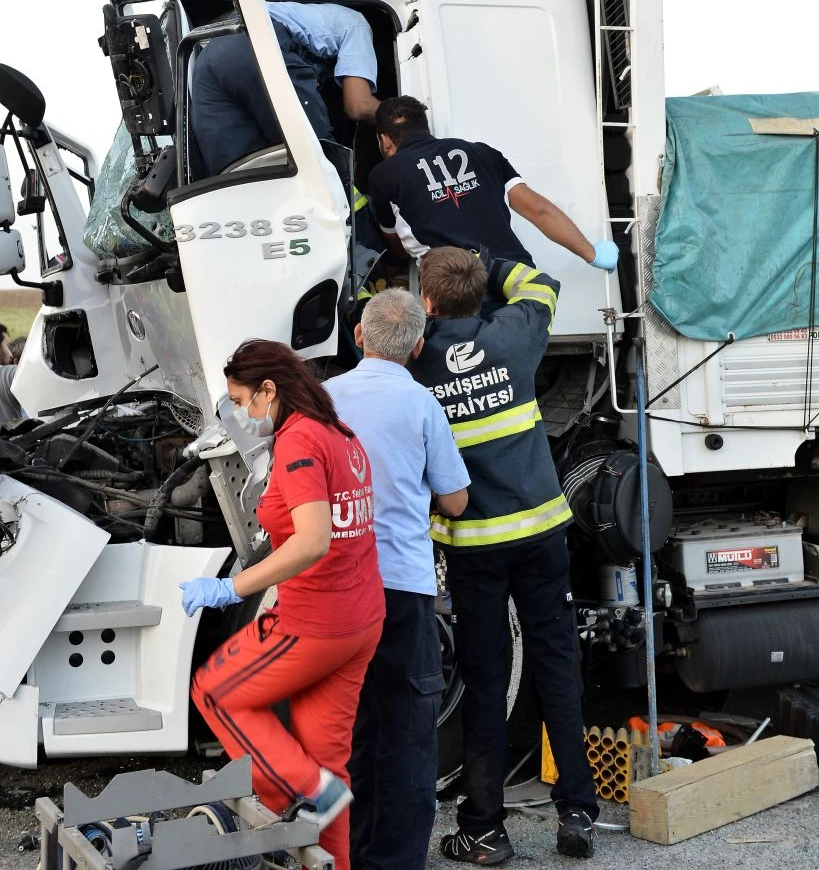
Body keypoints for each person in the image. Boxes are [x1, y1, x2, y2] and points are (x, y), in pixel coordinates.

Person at [412, 248, 599, 862]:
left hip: (478, 549)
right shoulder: (514, 335)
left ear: (429, 301)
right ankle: (576, 814)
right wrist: (486, 262)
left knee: (488, 681)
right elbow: (541, 284)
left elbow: (372, 328)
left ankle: (485, 829)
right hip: (543, 535)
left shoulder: (418, 358)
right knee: (557, 668)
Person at [183, 340, 385, 870]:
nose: (244, 414)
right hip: (359, 619)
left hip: (314, 621)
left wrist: (234, 587)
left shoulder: (299, 443)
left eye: (244, 401)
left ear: (269, 390)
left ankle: (305, 792)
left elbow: (314, 540)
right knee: (328, 762)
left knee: (215, 692)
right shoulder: (339, 434)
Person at [325, 289, 470, 870]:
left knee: (350, 729)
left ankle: (348, 853)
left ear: (358, 336)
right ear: (417, 346)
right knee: (409, 731)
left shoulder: (324, 400)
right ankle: (398, 860)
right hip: (403, 589)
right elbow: (456, 501)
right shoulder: (421, 405)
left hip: (338, 591)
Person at [368, 96, 618, 273]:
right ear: (425, 127)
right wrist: (592, 254)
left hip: (455, 291)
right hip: (515, 278)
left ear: (384, 140)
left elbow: (396, 246)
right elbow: (538, 210)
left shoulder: (383, 175)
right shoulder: (482, 152)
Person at [190, 3, 378, 176]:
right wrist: (401, 114)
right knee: (317, 154)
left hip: (211, 55)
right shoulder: (358, 26)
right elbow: (359, 105)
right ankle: (355, 211)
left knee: (235, 173)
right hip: (257, 39)